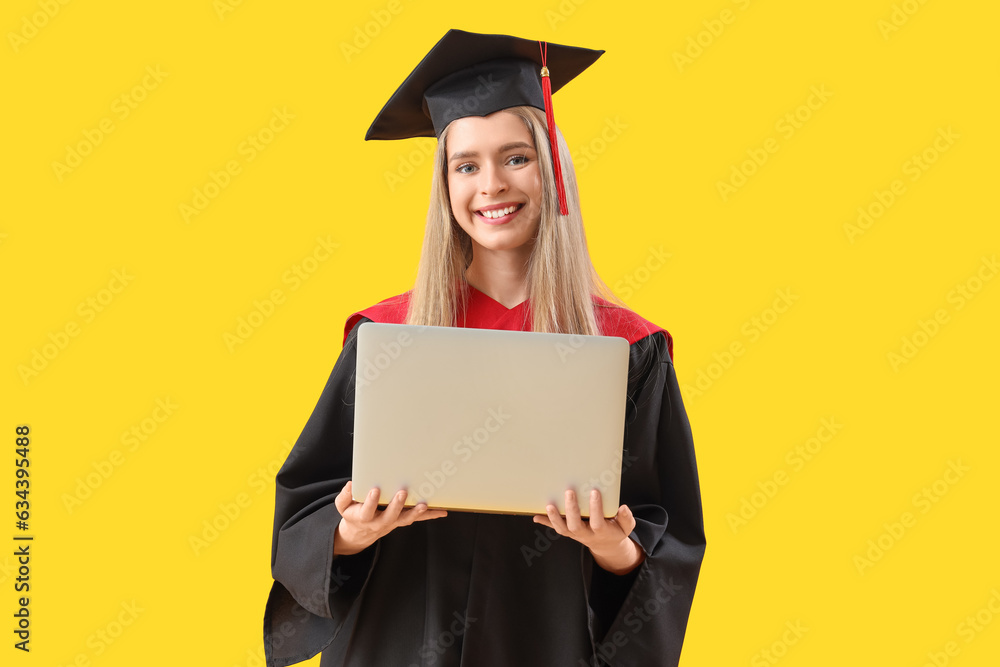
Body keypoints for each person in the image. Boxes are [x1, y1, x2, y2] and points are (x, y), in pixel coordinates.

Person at [263, 29, 706, 667]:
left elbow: (671, 540)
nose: (491, 184)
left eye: (516, 157)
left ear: (553, 166)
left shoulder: (626, 350)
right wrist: (348, 534)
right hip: (395, 646)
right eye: (466, 165)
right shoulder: (386, 339)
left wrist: (616, 549)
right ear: (445, 189)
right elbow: (302, 514)